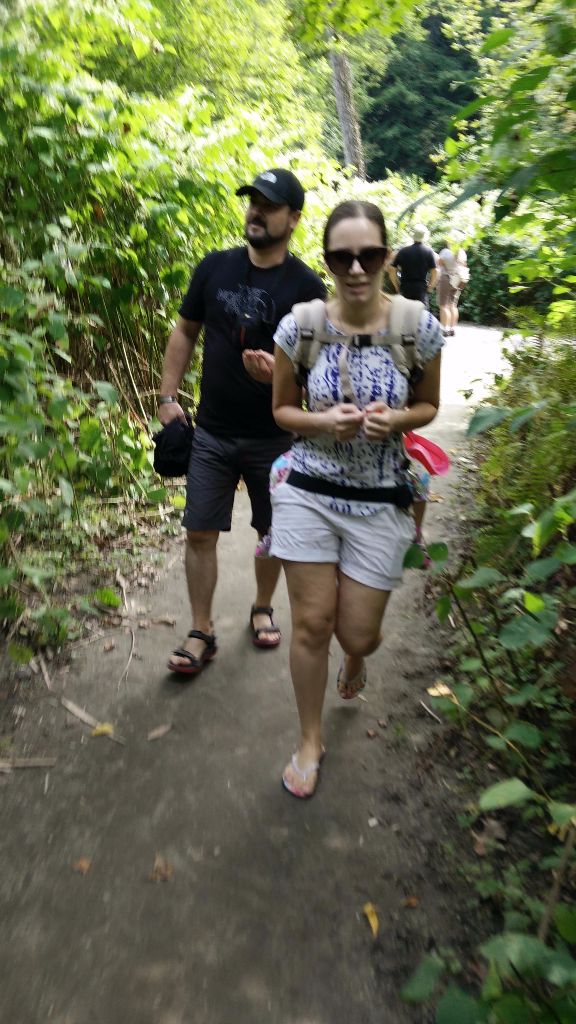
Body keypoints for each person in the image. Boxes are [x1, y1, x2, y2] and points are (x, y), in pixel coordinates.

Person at [270, 200, 443, 798]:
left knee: (357, 634)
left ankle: (358, 657)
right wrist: (324, 423)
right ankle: (309, 740)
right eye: (341, 257)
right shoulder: (300, 326)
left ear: (387, 257)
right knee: (311, 624)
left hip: (381, 495)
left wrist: (396, 419)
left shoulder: (417, 326)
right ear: (327, 261)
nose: (355, 268)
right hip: (309, 489)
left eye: (368, 255)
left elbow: (429, 405)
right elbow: (282, 409)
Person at [158, 168, 327, 676]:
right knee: (199, 531)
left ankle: (262, 606)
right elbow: (185, 331)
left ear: (293, 219)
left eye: (269, 205)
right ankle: (201, 629)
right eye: (253, 201)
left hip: (276, 437)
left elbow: (320, 373)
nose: (256, 211)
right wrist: (167, 396)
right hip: (211, 430)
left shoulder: (307, 287)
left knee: (271, 531)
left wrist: (280, 375)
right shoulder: (215, 267)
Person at [388, 224, 438, 306]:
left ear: (413, 236)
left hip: (405, 289)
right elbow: (435, 271)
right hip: (421, 290)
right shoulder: (428, 252)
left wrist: (397, 286)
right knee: (421, 313)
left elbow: (392, 270)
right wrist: (430, 287)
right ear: (424, 236)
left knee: (405, 312)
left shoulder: (403, 251)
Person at [437, 242, 468, 337]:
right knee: (453, 305)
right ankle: (452, 328)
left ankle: (445, 329)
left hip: (446, 279)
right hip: (457, 280)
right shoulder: (462, 252)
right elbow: (464, 266)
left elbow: (439, 263)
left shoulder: (446, 251)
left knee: (444, 305)